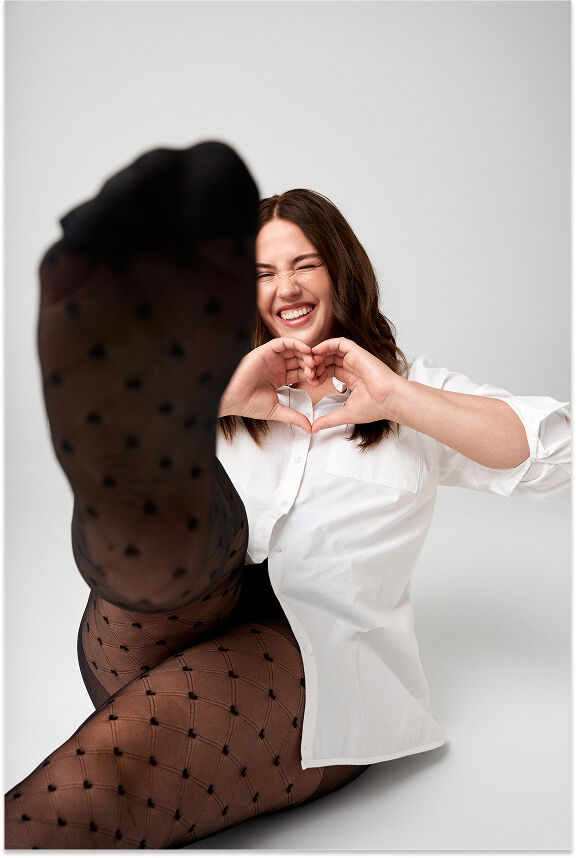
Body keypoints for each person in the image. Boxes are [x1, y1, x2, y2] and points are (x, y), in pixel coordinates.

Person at [4, 142, 570, 849]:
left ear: (343, 272)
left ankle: (131, 417)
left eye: (305, 265)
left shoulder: (417, 393)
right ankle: (130, 430)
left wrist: (396, 396)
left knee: (93, 784)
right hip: (158, 622)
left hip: (310, 667)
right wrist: (212, 403)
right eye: (263, 273)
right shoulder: (226, 380)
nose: (286, 288)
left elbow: (557, 455)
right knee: (183, 510)